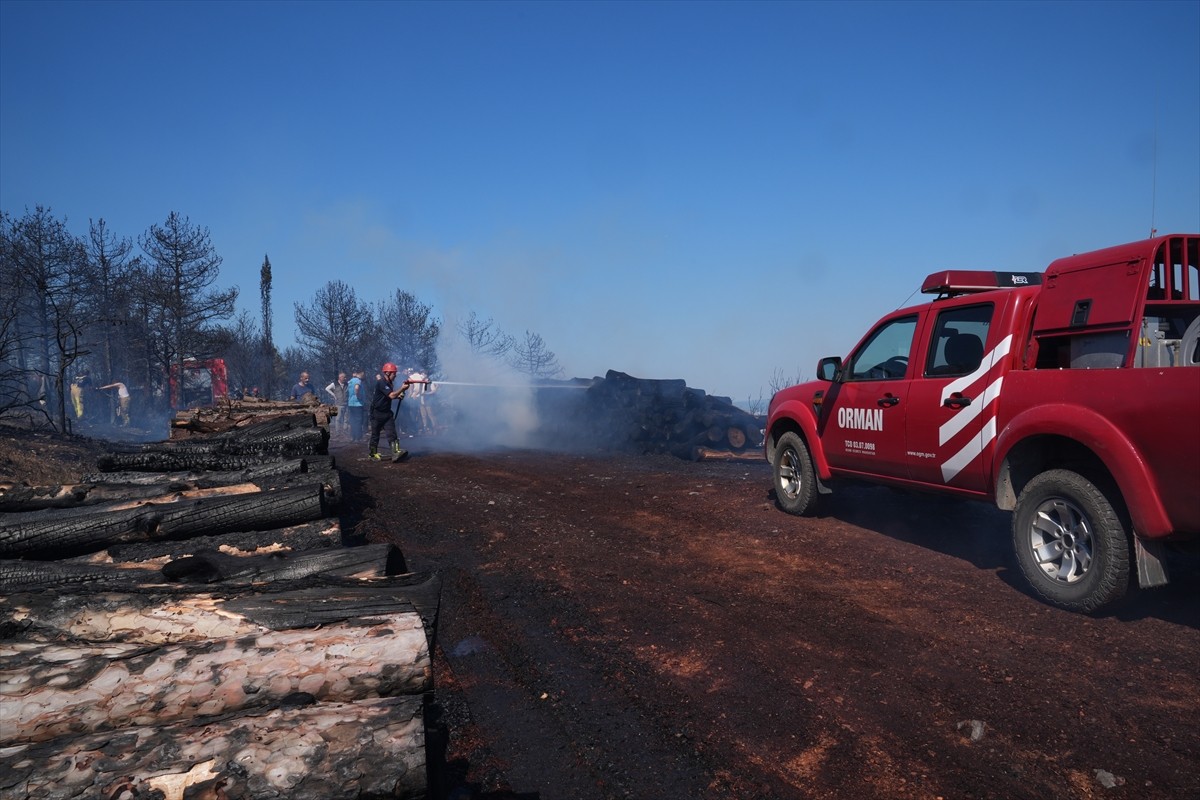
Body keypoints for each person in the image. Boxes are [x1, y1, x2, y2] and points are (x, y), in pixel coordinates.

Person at [368, 362, 411, 462]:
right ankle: (372, 454)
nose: (395, 375)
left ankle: (396, 452)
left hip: (387, 412)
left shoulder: (389, 383)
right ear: (387, 373)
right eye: (394, 373)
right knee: (375, 435)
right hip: (377, 413)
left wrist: (399, 395)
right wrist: (402, 389)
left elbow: (388, 397)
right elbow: (391, 395)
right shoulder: (381, 383)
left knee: (392, 433)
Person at [346, 368, 365, 442]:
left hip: (351, 403)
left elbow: (347, 391)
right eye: (363, 374)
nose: (364, 375)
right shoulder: (358, 380)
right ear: (360, 373)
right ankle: (358, 438)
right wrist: (359, 396)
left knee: (353, 420)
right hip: (358, 404)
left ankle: (353, 437)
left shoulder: (350, 381)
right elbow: (357, 388)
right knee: (358, 421)